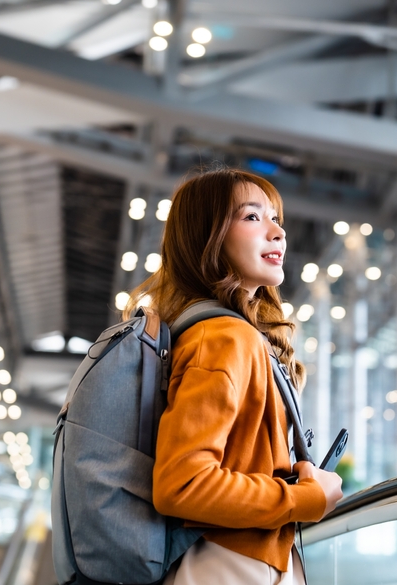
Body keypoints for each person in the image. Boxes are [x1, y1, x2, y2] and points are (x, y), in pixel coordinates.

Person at [123, 167, 344, 585]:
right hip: (230, 568)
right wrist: (305, 498)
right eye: (251, 217)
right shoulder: (224, 337)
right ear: (208, 238)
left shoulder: (224, 334)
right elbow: (183, 483)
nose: (277, 232)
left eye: (275, 218)